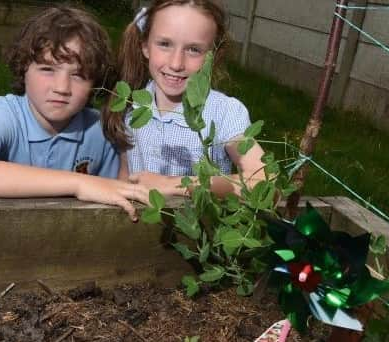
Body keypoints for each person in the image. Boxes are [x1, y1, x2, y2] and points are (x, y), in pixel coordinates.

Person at [0, 6, 149, 221]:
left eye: (78, 75)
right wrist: (79, 183)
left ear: (95, 82)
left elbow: (118, 196)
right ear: (23, 68)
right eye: (47, 69)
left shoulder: (101, 130)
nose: (61, 87)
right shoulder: (2, 116)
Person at [102, 0, 266, 197]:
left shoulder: (224, 113)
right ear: (145, 46)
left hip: (202, 227)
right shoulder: (130, 106)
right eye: (164, 44)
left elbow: (265, 183)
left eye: (193, 49)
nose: (176, 63)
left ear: (213, 55)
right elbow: (125, 176)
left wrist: (173, 184)